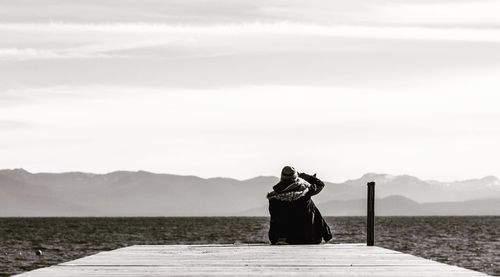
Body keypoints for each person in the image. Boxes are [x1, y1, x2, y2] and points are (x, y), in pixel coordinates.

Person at [267, 166, 332, 245]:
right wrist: (302, 175)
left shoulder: (274, 197)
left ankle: (282, 238)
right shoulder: (305, 191)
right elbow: (320, 184)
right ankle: (326, 233)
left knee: (280, 211)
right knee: (311, 205)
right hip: (308, 238)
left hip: (281, 238)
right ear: (295, 177)